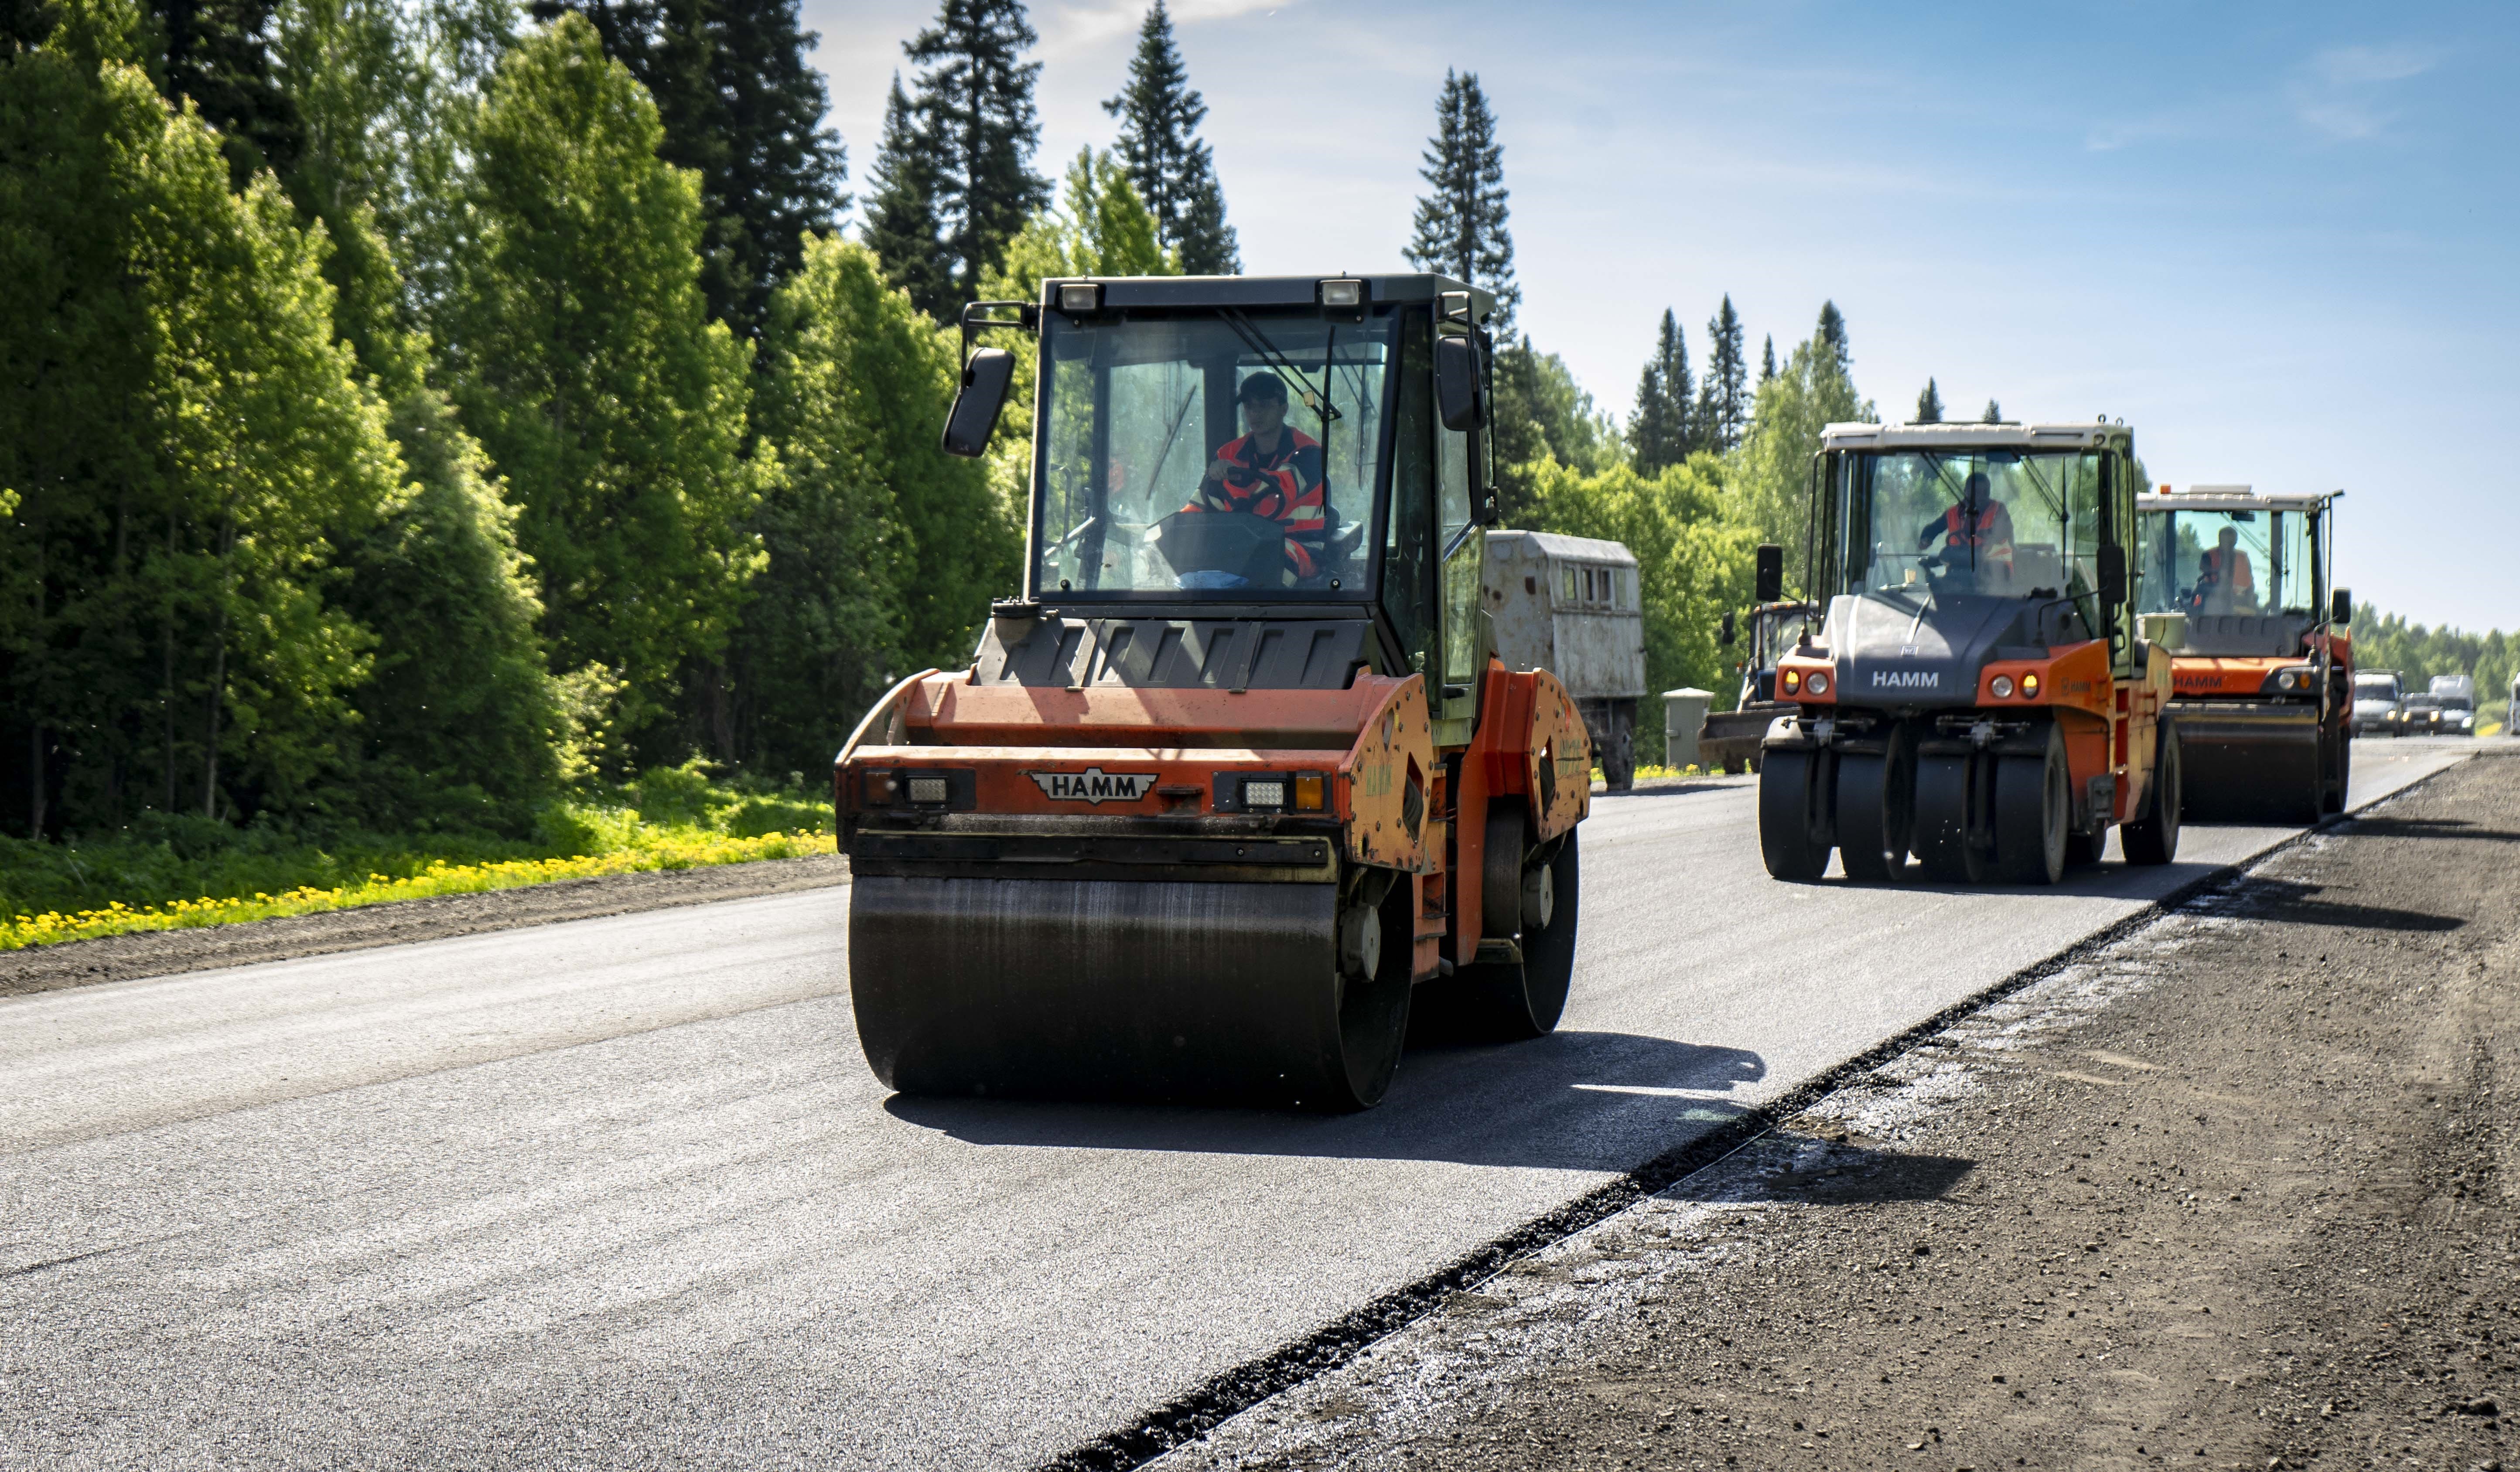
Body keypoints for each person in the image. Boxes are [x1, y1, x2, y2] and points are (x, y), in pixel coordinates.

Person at [1178, 371, 1328, 582]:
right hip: (1245, 544)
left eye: (1264, 405)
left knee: (1266, 562)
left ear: (1284, 409)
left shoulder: (1309, 453)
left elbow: (1278, 491)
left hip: (1300, 545)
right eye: (1249, 406)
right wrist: (1178, 532)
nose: (1255, 413)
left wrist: (1235, 477)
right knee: (1197, 562)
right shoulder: (1227, 453)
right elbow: (1201, 504)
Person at [1916, 470, 2015, 586]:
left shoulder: (1998, 510)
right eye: (1976, 492)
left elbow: (2007, 534)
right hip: (1958, 574)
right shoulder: (1953, 513)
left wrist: (1988, 534)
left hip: (1994, 574)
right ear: (1966, 492)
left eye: (1986, 492)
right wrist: (1926, 538)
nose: (1982, 497)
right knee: (1945, 563)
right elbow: (1934, 528)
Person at [2194, 525, 2255, 615]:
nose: (2229, 541)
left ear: (2236, 540)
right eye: (2226, 538)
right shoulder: (2208, 555)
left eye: (2232, 538)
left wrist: (2249, 600)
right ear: (2219, 539)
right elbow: (2204, 570)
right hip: (2213, 598)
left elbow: (2250, 583)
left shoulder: (2243, 557)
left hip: (2237, 600)